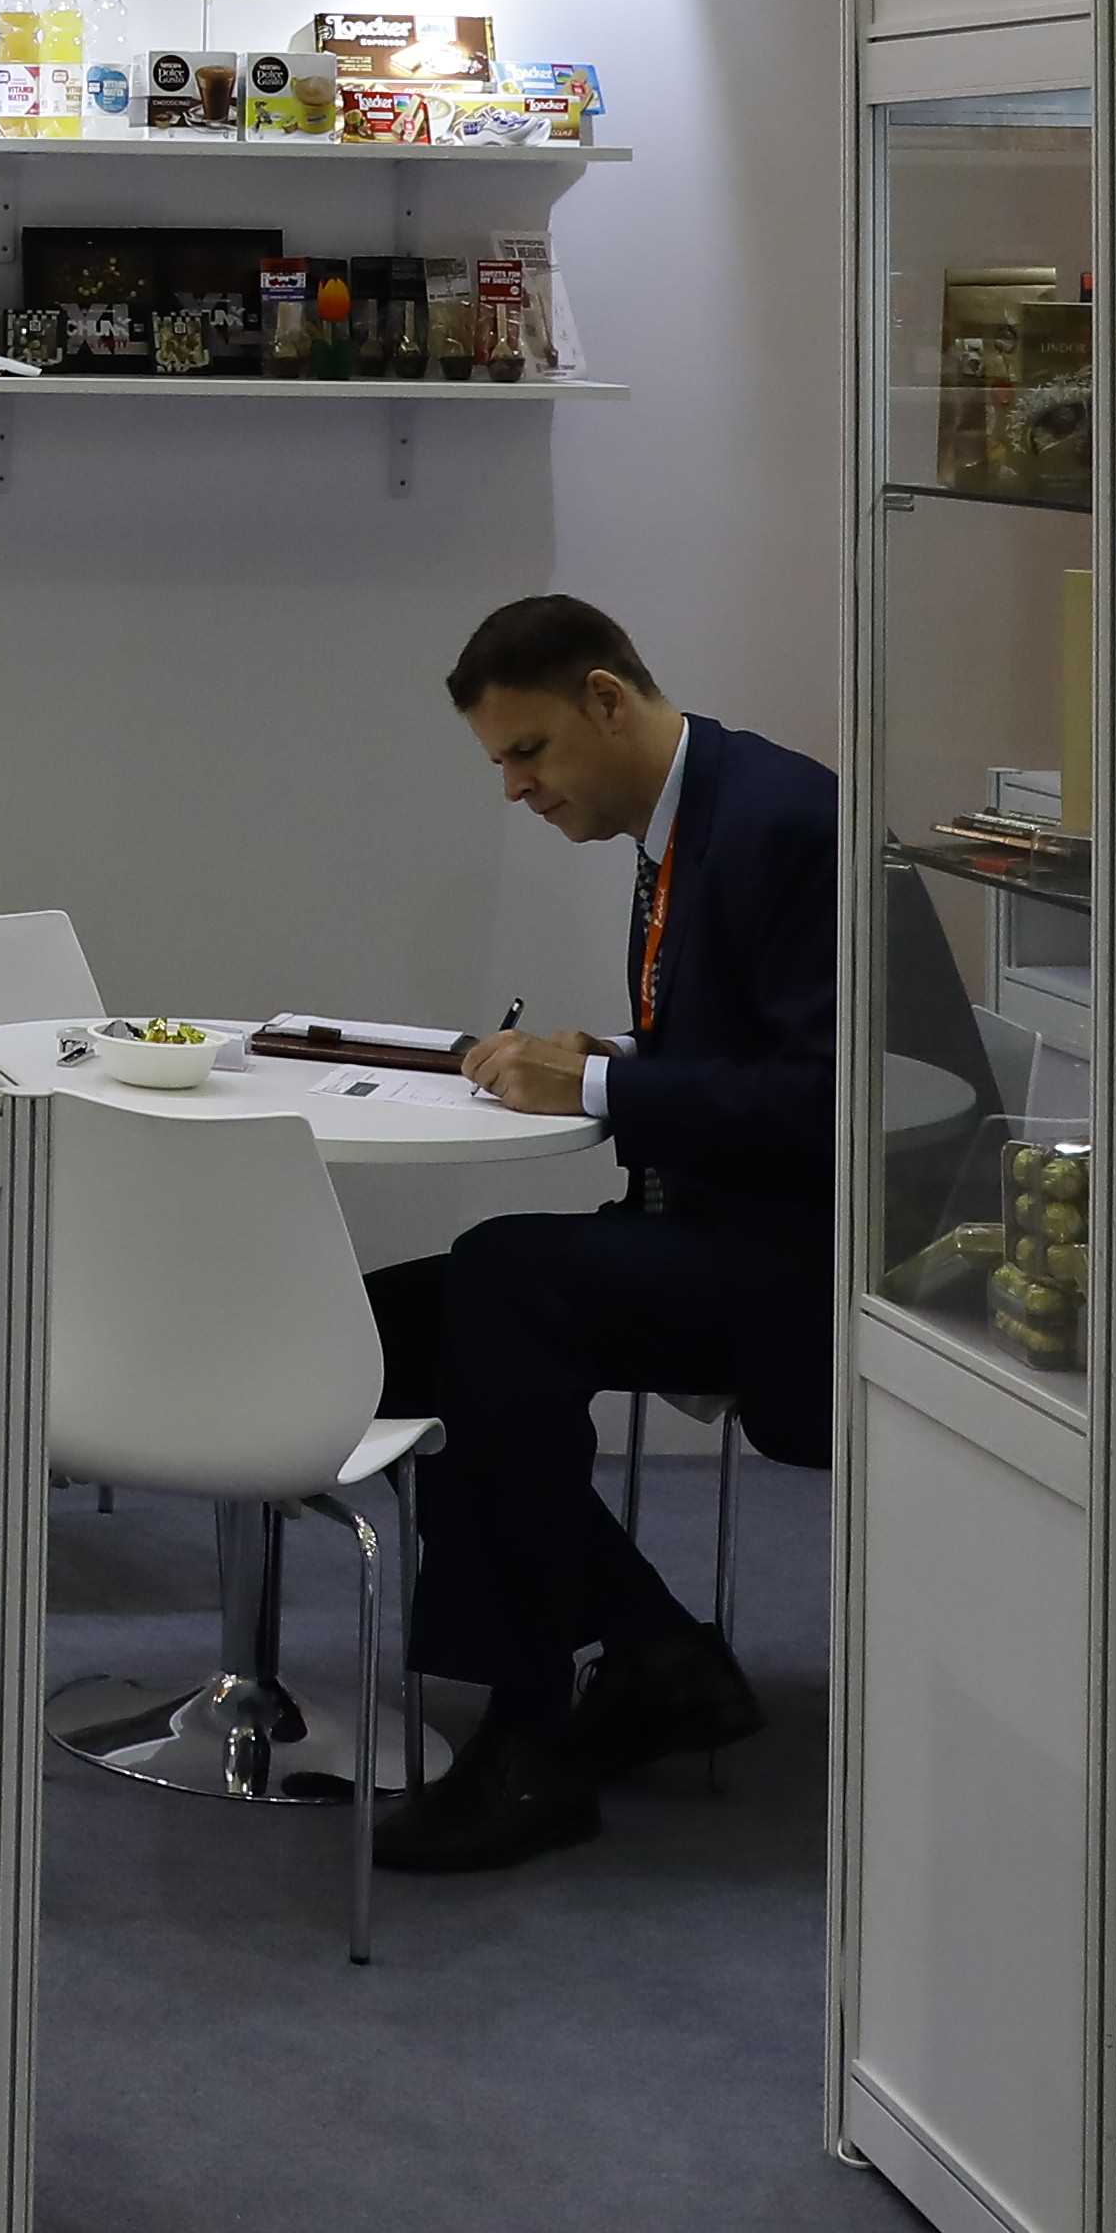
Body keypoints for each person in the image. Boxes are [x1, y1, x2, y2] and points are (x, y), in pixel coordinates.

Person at [366, 592, 845, 1879]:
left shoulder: (785, 819)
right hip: (717, 1223)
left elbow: (831, 1098)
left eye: (528, 751)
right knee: (385, 1328)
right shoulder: (696, 817)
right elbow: (751, 1047)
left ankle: (528, 1734)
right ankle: (648, 1648)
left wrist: (593, 1084)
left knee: (501, 1281)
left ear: (607, 699)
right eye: (500, 762)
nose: (515, 788)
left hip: (805, 1267)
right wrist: (623, 1056)